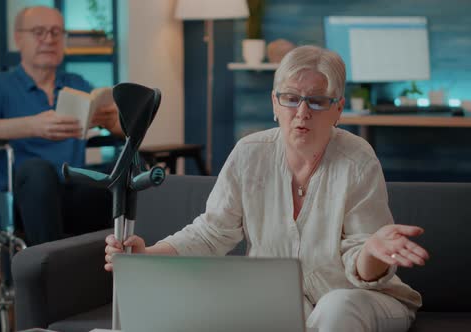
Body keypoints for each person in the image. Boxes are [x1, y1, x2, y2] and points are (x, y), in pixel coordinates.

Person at [104, 45, 429, 331]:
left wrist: (372, 250)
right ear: (275, 104)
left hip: (363, 300)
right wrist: (146, 256)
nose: (301, 113)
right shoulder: (249, 153)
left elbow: (365, 267)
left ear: (338, 109)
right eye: (290, 99)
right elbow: (210, 234)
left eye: (316, 102)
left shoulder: (357, 160)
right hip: (287, 305)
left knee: (336, 307)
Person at [0, 6, 122, 246]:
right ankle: (50, 274)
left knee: (127, 167)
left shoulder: (76, 84)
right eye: (39, 32)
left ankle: (127, 264)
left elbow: (124, 132)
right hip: (21, 197)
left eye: (56, 32)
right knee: (37, 171)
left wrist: (111, 121)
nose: (49, 40)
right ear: (18, 38)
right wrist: (31, 126)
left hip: (71, 191)